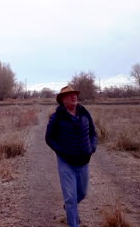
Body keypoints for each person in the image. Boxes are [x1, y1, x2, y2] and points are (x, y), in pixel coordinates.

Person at [45, 85, 97, 227]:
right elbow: (49, 138)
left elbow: (93, 132)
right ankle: (73, 220)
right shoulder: (57, 117)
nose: (73, 97)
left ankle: (69, 207)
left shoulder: (84, 113)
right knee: (70, 198)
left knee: (83, 193)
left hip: (84, 161)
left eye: (75, 94)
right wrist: (61, 152)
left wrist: (92, 147)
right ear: (62, 100)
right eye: (69, 95)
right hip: (66, 163)